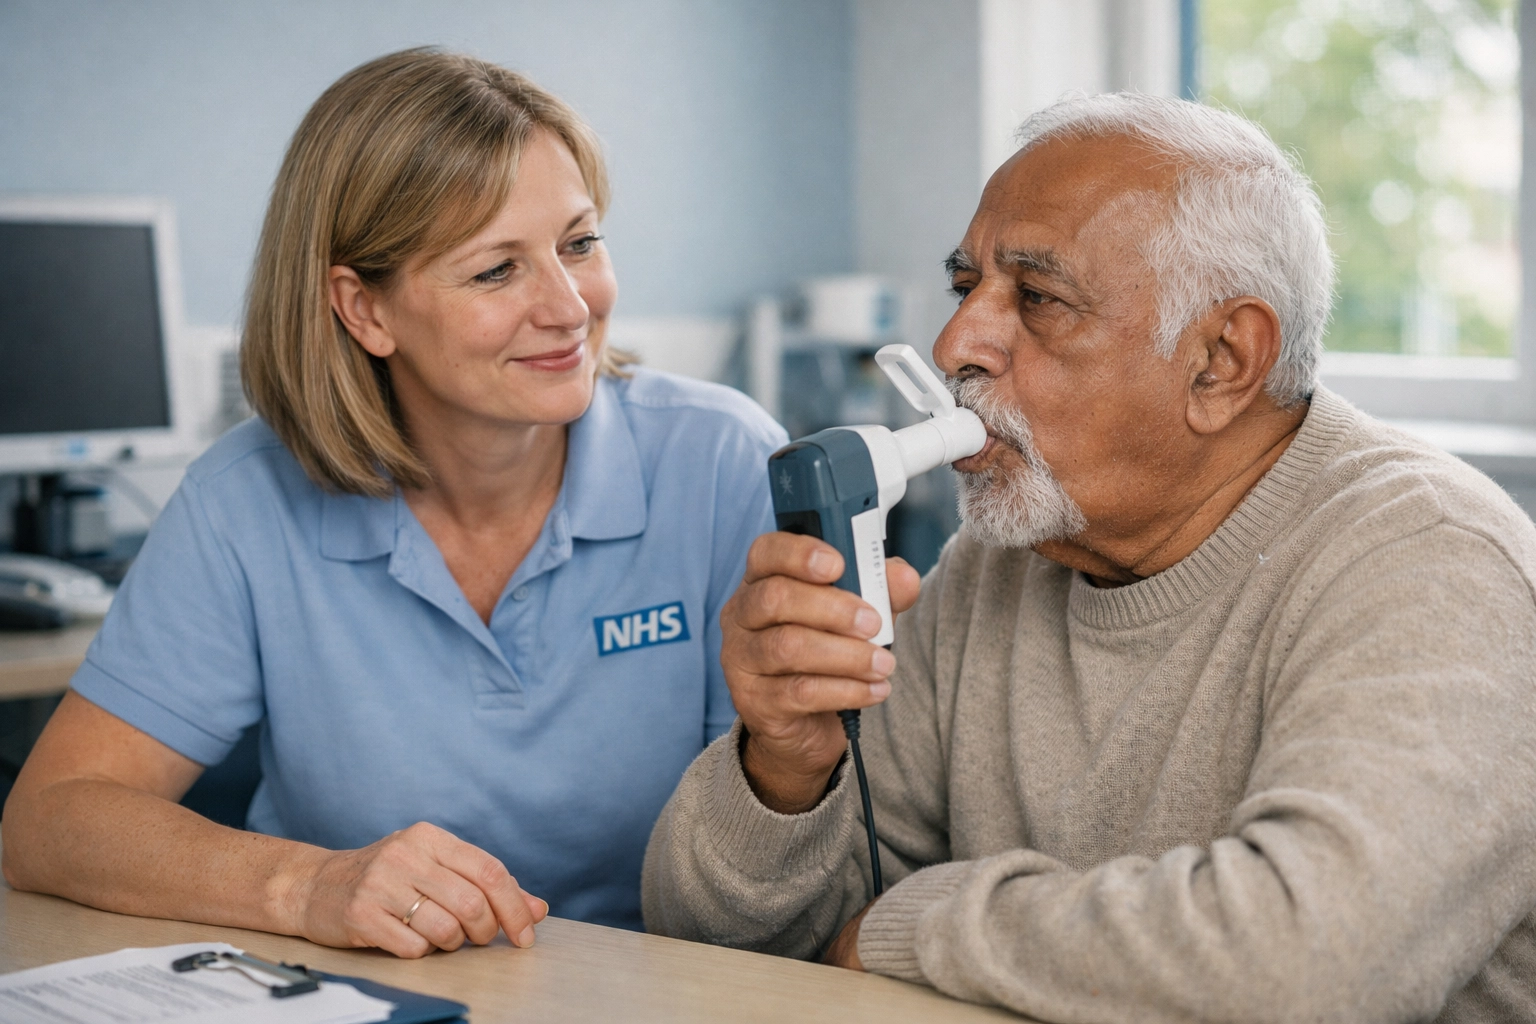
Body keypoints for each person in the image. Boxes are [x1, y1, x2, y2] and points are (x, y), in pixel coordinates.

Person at [642, 93, 1536, 1021]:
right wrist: (785, 768)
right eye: (965, 288)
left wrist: (915, 928)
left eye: (1037, 299)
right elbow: (717, 952)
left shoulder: (1436, 565)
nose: (955, 345)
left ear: (1223, 360)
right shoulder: (999, 562)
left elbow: (1309, 967)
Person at [2, 48, 785, 958]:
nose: (571, 307)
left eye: (579, 243)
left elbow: (789, 848)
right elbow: (49, 819)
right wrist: (307, 885)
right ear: (364, 310)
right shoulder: (244, 499)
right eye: (496, 270)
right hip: (362, 994)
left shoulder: (725, 463)